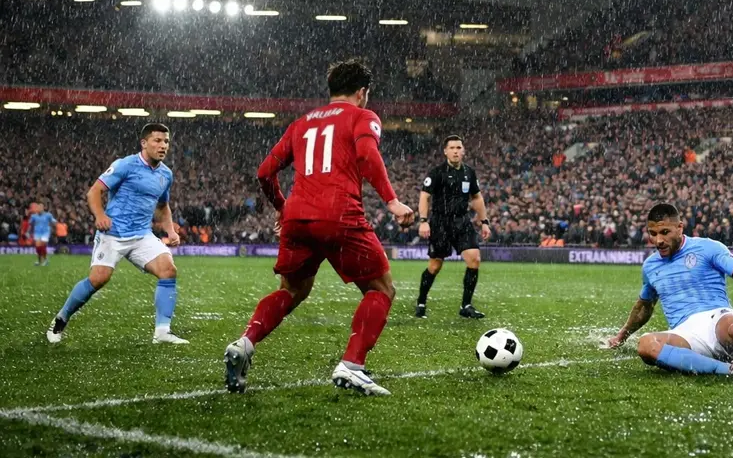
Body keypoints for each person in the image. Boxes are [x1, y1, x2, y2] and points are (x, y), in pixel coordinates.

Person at [223, 59, 414, 396]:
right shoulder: (362, 116)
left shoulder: (301, 124)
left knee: (292, 290)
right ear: (362, 92)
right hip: (339, 213)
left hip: (298, 215)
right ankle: (352, 365)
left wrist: (283, 208)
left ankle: (245, 342)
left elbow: (264, 172)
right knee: (381, 289)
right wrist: (392, 201)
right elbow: (368, 155)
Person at [604, 202, 733, 383]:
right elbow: (644, 307)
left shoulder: (707, 248)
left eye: (664, 232)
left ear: (679, 228)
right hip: (685, 332)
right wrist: (622, 335)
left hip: (718, 318)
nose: (658, 240)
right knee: (647, 345)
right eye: (653, 233)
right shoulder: (650, 266)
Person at [46, 123, 187, 345]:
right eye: (157, 141)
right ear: (144, 143)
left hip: (142, 235)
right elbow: (95, 191)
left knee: (168, 270)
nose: (163, 146)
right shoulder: (125, 165)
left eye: (166, 141)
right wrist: (100, 215)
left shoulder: (165, 174)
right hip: (113, 233)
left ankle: (162, 332)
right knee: (98, 279)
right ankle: (61, 318)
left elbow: (162, 206)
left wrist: (170, 230)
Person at [414, 135, 490, 320]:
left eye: (459, 147)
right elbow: (425, 196)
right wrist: (424, 220)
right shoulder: (437, 172)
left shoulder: (469, 173)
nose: (456, 151)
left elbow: (477, 198)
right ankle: (421, 301)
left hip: (462, 221)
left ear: (463, 151)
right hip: (440, 222)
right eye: (452, 148)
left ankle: (466, 305)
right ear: (446, 151)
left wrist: (484, 221)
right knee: (435, 265)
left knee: (474, 259)